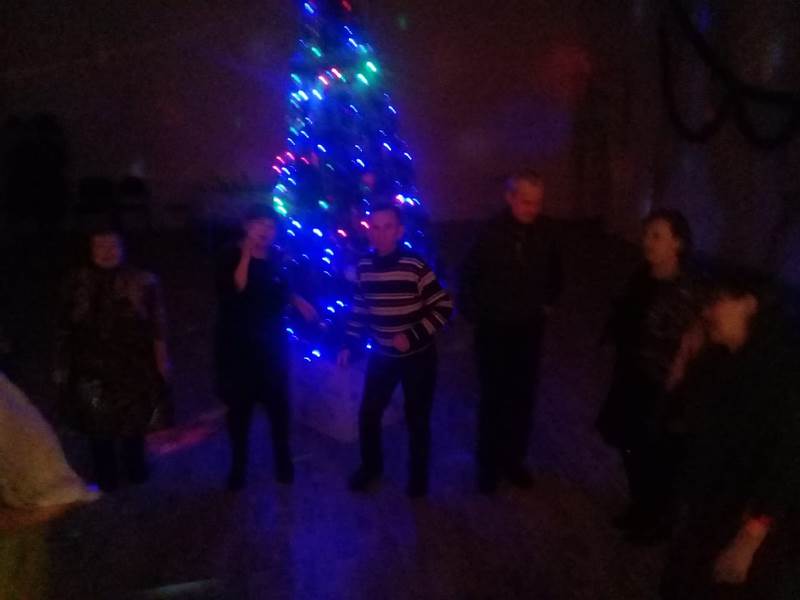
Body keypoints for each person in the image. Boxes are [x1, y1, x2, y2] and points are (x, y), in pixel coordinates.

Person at [661, 274, 800, 599]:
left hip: (743, 516)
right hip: (708, 504)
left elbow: (788, 459)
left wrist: (751, 536)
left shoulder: (782, 371)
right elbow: (679, 412)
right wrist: (685, 357)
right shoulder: (722, 358)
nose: (707, 311)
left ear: (748, 304)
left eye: (717, 301)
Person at [596, 208, 698, 542]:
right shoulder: (642, 276)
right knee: (629, 446)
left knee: (653, 453)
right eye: (646, 235)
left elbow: (684, 344)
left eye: (657, 236)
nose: (647, 242)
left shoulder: (684, 291)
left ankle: (656, 516)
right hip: (631, 376)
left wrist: (672, 386)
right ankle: (640, 505)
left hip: (659, 385)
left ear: (678, 243)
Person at [338, 202, 453, 498]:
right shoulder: (365, 267)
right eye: (375, 228)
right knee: (369, 413)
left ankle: (418, 478)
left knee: (417, 418)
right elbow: (360, 308)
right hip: (383, 356)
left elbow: (443, 306)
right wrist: (350, 343)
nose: (381, 234)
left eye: (388, 227)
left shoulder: (414, 266)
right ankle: (371, 467)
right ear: (368, 231)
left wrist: (413, 335)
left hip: (418, 356)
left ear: (399, 231)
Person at [459, 170, 562, 494]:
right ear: (510, 198)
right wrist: (476, 314)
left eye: (537, 203)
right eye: (526, 202)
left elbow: (556, 271)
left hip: (529, 329)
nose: (533, 209)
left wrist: (548, 302)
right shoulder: (489, 233)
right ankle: (488, 465)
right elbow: (468, 276)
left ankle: (513, 460)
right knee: (494, 397)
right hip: (494, 329)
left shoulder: (546, 231)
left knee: (522, 397)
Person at [55, 229, 171, 492]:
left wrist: (161, 358)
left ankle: (135, 467)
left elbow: (157, 324)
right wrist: (63, 364)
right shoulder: (77, 282)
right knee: (97, 421)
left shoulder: (142, 281)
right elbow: (64, 326)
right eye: (100, 246)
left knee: (134, 416)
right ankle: (106, 473)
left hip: (133, 362)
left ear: (123, 247)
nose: (107, 252)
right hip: (90, 364)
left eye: (113, 246)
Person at [215, 204, 317, 491]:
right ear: (247, 226)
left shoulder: (276, 256)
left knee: (278, 407)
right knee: (240, 410)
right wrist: (246, 255)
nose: (265, 231)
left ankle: (283, 460)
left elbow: (281, 286)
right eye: (259, 224)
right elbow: (235, 289)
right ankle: (238, 466)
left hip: (272, 343)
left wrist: (297, 300)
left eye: (270, 226)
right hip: (238, 345)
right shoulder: (229, 254)